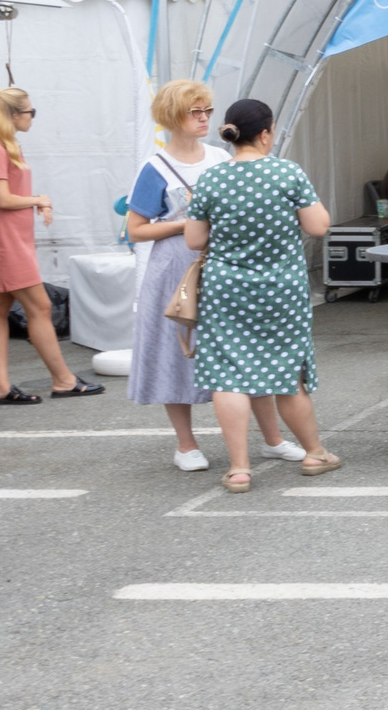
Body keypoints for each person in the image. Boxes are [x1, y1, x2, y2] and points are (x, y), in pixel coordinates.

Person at [125, 79, 298, 474]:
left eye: (206, 111)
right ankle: (186, 444)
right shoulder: (155, 168)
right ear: (173, 116)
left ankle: (272, 438)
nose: (204, 118)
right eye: (195, 112)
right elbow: (135, 229)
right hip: (176, 268)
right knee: (176, 351)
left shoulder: (221, 158)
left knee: (246, 351)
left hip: (224, 262)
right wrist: (182, 225)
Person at [183, 98, 342, 492]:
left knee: (228, 375)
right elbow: (319, 225)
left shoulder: (211, 179)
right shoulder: (287, 173)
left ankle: (239, 469)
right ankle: (314, 452)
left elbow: (194, 239)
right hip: (280, 290)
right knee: (288, 373)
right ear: (266, 132)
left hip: (226, 290)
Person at [0, 88, 98, 406]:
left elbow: (3, 196)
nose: (32, 117)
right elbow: (1, 199)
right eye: (30, 112)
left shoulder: (2, 147)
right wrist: (39, 200)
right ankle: (63, 379)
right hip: (7, 242)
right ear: (14, 115)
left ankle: (1, 386)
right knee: (39, 308)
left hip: (10, 239)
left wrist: (34, 202)